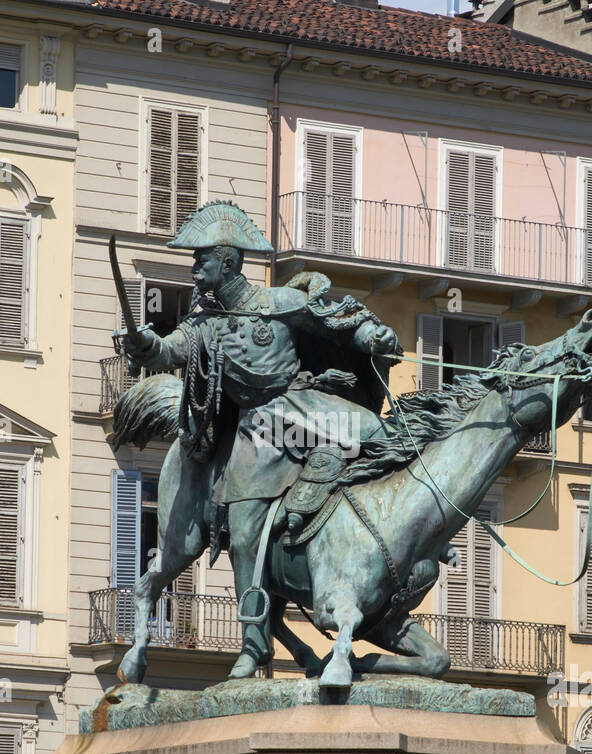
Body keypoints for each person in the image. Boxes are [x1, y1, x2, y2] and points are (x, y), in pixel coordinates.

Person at [117, 201, 402, 675]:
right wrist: (144, 345)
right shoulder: (202, 326)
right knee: (245, 531)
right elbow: (167, 350)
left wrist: (373, 337)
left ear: (226, 261)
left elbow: (338, 323)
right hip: (257, 430)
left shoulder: (280, 303)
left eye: (200, 259)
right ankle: (254, 644)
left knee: (376, 434)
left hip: (306, 407)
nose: (194, 268)